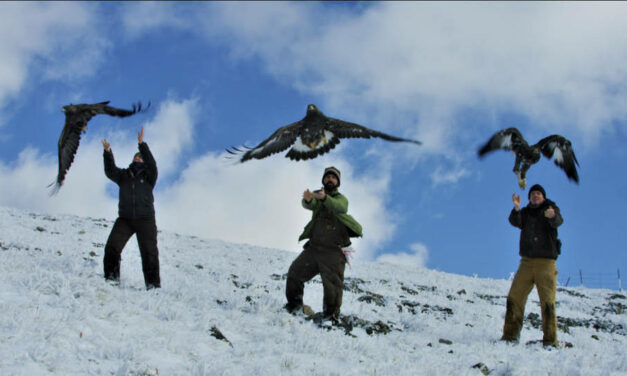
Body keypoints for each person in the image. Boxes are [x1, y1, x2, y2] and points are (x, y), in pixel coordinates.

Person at [285, 167, 362, 320]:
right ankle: (295, 307)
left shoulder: (341, 198)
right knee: (294, 274)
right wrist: (307, 199)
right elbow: (310, 203)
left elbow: (341, 207)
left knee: (332, 286)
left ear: (338, 182)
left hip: (334, 251)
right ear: (323, 180)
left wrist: (324, 198)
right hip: (313, 249)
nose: (330, 179)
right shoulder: (319, 197)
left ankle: (330, 317)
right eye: (327, 177)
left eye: (333, 177)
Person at [502, 184, 563, 347]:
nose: (535, 196)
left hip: (546, 263)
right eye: (533, 194)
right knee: (515, 297)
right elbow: (515, 221)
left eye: (538, 193)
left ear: (543, 196)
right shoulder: (526, 212)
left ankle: (550, 341)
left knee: (547, 302)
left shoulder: (550, 207)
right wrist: (516, 208)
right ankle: (510, 337)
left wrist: (552, 216)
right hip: (526, 262)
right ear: (529, 197)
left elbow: (558, 221)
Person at [101, 127, 160, 289]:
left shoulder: (149, 176)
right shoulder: (124, 176)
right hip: (125, 219)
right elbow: (110, 170)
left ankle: (153, 287)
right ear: (133, 160)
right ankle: (111, 281)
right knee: (112, 248)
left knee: (149, 254)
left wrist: (142, 145)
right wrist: (107, 152)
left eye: (141, 158)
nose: (139, 159)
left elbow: (152, 164)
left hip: (145, 219)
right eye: (137, 157)